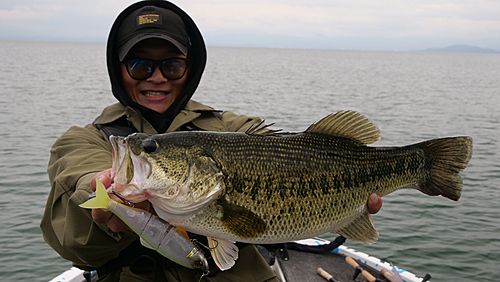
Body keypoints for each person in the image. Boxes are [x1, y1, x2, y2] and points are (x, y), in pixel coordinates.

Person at [40, 1, 383, 281]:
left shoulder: (233, 129)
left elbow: (291, 156)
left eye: (172, 66)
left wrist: (346, 198)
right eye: (140, 65)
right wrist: (102, 196)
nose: (157, 77)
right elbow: (80, 184)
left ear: (190, 69)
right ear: (119, 69)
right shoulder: (86, 140)